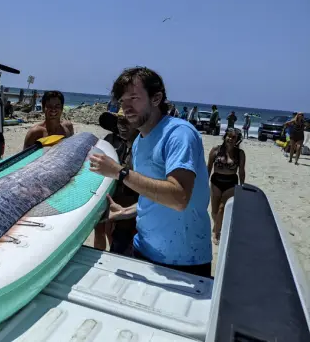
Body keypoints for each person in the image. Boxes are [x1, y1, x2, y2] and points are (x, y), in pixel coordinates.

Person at [89, 67, 212, 278]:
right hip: (142, 249)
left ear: (156, 99)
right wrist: (126, 212)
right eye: (122, 101)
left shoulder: (179, 134)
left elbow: (179, 197)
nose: (126, 107)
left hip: (184, 261)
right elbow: (154, 194)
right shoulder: (139, 142)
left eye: (134, 98)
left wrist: (121, 172)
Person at [94, 108, 139, 255]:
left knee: (116, 237)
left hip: (129, 203)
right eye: (120, 120)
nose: (122, 125)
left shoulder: (140, 147)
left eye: (127, 121)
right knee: (101, 230)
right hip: (107, 196)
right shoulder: (109, 140)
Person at [206, 128, 246, 244]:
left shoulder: (240, 154)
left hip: (231, 183)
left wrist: (242, 186)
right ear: (225, 137)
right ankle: (218, 225)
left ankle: (216, 232)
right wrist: (204, 182)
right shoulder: (215, 150)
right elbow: (208, 168)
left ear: (237, 140)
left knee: (222, 209)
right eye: (229, 136)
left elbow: (242, 171)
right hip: (216, 182)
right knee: (214, 210)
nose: (231, 139)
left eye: (234, 138)